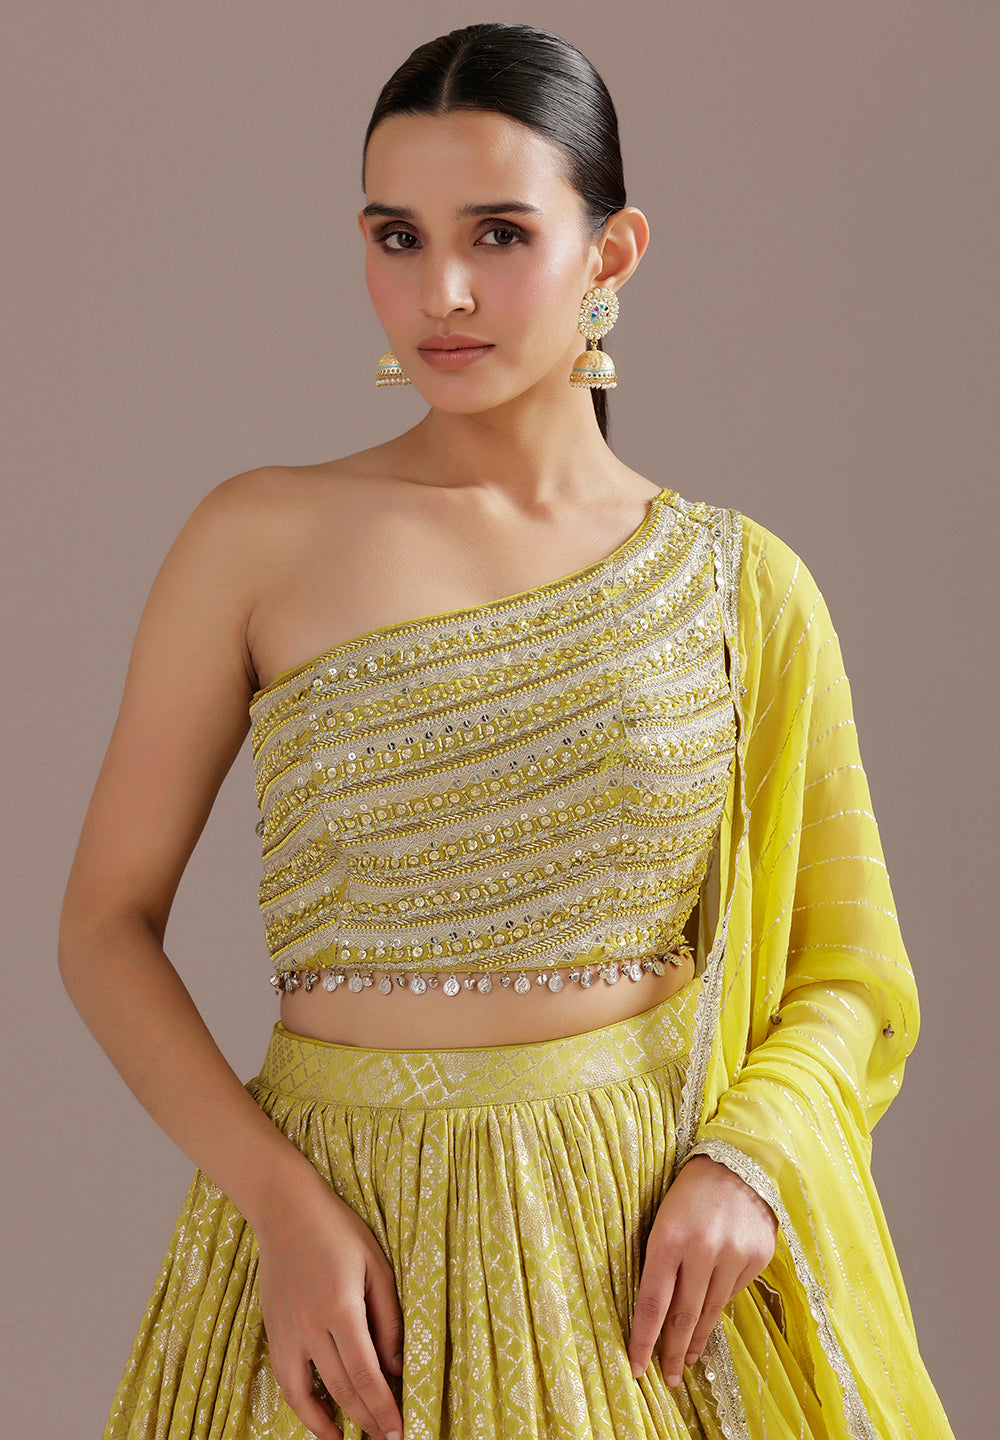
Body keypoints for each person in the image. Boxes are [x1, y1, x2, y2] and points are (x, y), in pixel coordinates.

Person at [60, 21, 954, 1440]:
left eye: (499, 233)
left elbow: (847, 974)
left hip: (638, 1273)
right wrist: (280, 1205)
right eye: (397, 238)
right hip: (338, 1255)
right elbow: (104, 925)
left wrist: (752, 1160)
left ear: (612, 254)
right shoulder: (255, 540)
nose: (444, 291)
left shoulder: (742, 589)